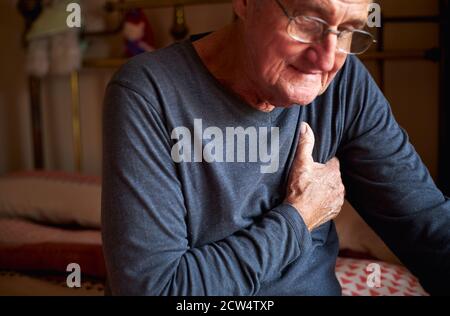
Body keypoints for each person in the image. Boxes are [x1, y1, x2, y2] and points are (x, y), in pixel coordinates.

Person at [101, 0, 450, 296]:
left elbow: (425, 227)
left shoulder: (345, 85)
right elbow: (156, 289)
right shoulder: (148, 93)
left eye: (346, 32)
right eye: (308, 22)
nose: (327, 59)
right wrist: (298, 219)